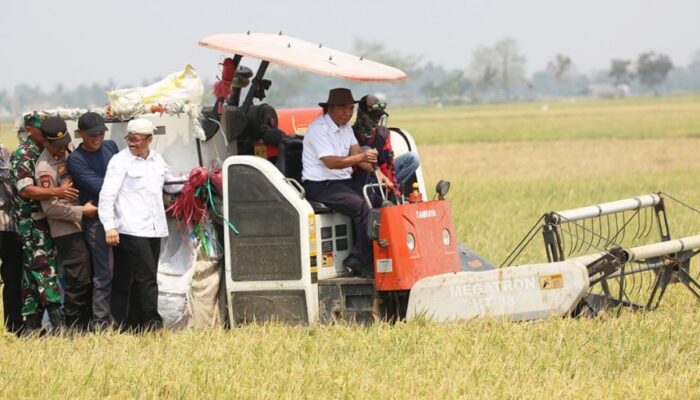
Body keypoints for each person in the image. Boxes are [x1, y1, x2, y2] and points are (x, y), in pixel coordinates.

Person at [98, 118, 182, 331]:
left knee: (141, 277)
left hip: (155, 229)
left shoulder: (156, 160)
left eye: (136, 140)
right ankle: (153, 323)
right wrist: (109, 226)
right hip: (131, 228)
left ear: (149, 140)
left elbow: (171, 185)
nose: (132, 143)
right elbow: (107, 196)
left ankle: (133, 325)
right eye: (129, 139)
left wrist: (194, 179)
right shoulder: (120, 161)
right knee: (147, 278)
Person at [301, 88, 386, 278]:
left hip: (341, 183)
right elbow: (331, 162)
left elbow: (357, 155)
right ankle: (361, 261)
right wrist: (362, 157)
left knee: (378, 200)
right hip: (320, 185)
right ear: (330, 108)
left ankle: (372, 254)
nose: (347, 113)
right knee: (363, 206)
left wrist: (378, 173)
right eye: (343, 108)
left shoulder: (346, 128)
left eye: (350, 108)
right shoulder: (318, 129)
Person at [10, 113, 79, 334]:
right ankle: (59, 326)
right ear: (29, 130)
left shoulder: (49, 149)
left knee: (32, 273)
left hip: (50, 218)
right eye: (41, 130)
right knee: (44, 268)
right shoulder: (23, 154)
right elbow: (25, 189)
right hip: (32, 222)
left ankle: (32, 325)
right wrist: (57, 191)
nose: (46, 134)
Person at [35, 117, 97, 330]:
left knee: (88, 274)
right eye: (57, 146)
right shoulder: (45, 168)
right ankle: (72, 326)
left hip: (81, 224)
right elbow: (50, 208)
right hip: (65, 229)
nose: (62, 149)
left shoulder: (68, 153)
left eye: (64, 144)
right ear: (45, 142)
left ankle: (87, 322)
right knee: (78, 277)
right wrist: (82, 212)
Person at [67, 112, 119, 330]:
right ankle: (99, 322)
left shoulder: (111, 147)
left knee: (122, 269)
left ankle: (119, 317)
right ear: (79, 134)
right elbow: (102, 187)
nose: (97, 138)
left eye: (100, 133)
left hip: (120, 215)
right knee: (103, 271)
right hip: (96, 220)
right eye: (92, 135)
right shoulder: (76, 160)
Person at [352, 95, 420, 198]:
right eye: (373, 117)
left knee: (412, 158)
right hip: (360, 179)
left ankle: (389, 191)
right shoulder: (350, 134)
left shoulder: (383, 134)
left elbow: (388, 163)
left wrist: (391, 184)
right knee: (366, 150)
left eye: (378, 118)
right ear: (363, 115)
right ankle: (371, 194)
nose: (376, 121)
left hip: (381, 177)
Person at [0, 139, 24, 335]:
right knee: (12, 277)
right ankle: (14, 324)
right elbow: (11, 187)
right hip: (5, 224)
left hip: (6, 225)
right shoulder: (2, 151)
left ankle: (14, 324)